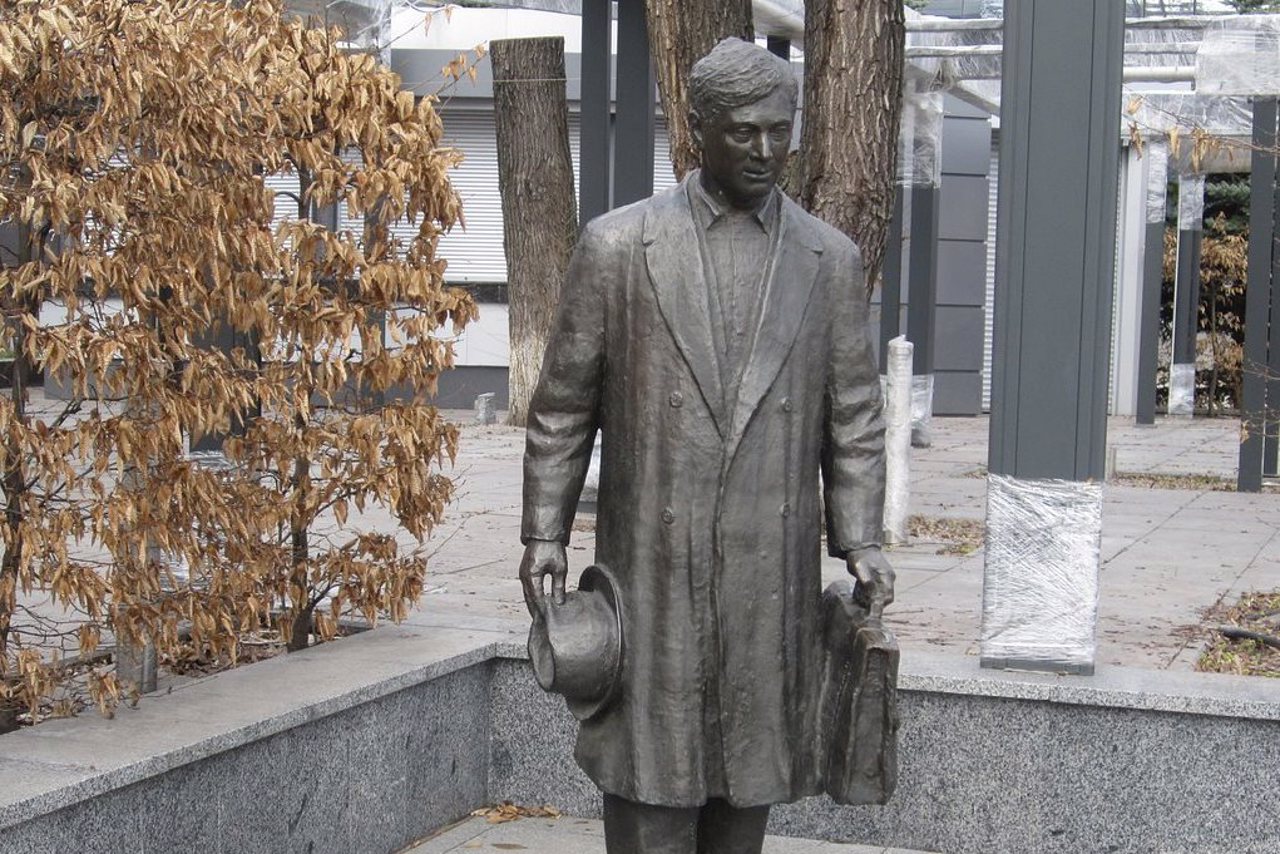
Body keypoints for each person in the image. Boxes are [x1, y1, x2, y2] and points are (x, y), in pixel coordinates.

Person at [519, 37, 893, 854]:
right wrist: (544, 534)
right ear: (697, 129)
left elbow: (856, 417)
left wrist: (860, 539)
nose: (767, 151)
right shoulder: (619, 249)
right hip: (656, 572)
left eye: (780, 131)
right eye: (745, 132)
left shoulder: (829, 260)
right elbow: (562, 409)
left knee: (747, 789)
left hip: (770, 578)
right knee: (652, 792)